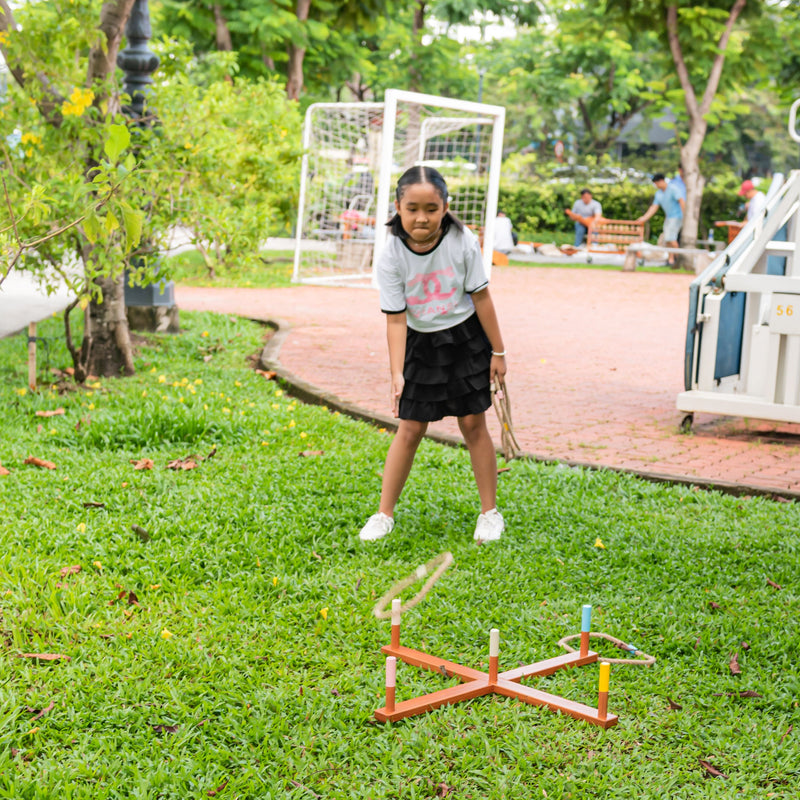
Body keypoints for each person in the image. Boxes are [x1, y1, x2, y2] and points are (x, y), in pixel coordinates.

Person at [359, 166, 508, 544]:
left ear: (445, 207)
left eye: (430, 208)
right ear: (398, 207)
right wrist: (397, 373)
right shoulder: (391, 251)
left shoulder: (462, 241)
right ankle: (383, 515)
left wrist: (499, 351)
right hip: (419, 343)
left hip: (465, 340)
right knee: (409, 428)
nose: (421, 217)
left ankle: (489, 514)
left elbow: (482, 297)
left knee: (473, 425)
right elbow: (395, 321)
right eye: (412, 208)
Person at [636, 173, 686, 265]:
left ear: (661, 181)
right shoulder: (659, 194)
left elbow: (681, 201)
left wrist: (685, 216)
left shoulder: (673, 189)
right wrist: (644, 218)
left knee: (671, 238)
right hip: (668, 217)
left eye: (656, 183)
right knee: (667, 239)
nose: (656, 186)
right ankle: (671, 260)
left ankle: (679, 260)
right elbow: (654, 207)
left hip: (677, 217)